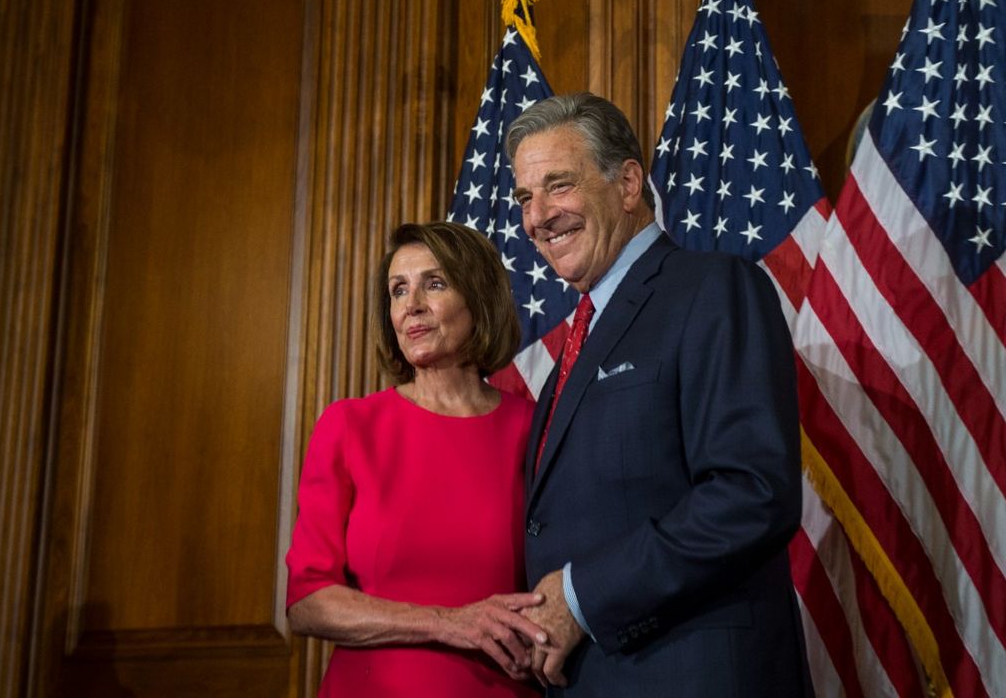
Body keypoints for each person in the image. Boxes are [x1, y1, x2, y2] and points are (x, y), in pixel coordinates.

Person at [506, 93, 812, 696]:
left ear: (627, 184)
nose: (537, 215)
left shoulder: (713, 289)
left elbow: (751, 493)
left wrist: (579, 596)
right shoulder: (576, 340)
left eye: (558, 186)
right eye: (524, 197)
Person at [285, 221, 547, 698]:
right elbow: (307, 602)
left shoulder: (535, 430)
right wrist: (448, 623)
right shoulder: (350, 427)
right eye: (398, 290)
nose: (412, 306)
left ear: (479, 299)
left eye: (435, 283)